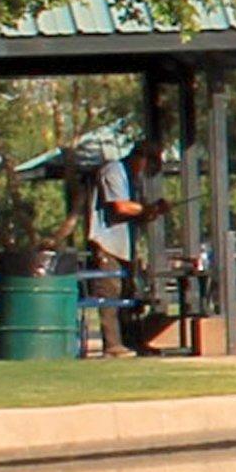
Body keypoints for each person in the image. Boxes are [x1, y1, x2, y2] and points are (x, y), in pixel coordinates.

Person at [88, 140, 177, 355]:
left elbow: (137, 214)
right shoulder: (114, 171)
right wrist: (148, 207)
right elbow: (119, 207)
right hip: (107, 246)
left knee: (131, 296)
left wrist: (152, 211)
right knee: (111, 297)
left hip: (127, 248)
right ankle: (113, 345)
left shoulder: (133, 181)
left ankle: (133, 341)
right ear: (141, 158)